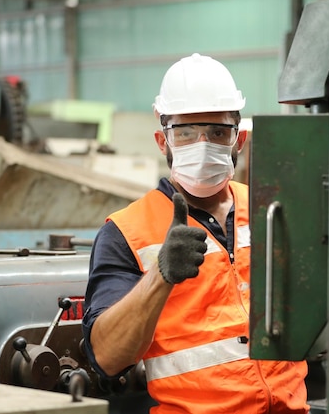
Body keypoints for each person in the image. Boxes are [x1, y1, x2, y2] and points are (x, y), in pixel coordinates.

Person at [82, 53, 309, 414]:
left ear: (240, 138)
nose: (202, 145)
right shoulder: (126, 232)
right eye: (185, 133)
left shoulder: (272, 210)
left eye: (218, 132)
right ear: (162, 140)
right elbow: (108, 359)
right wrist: (160, 275)